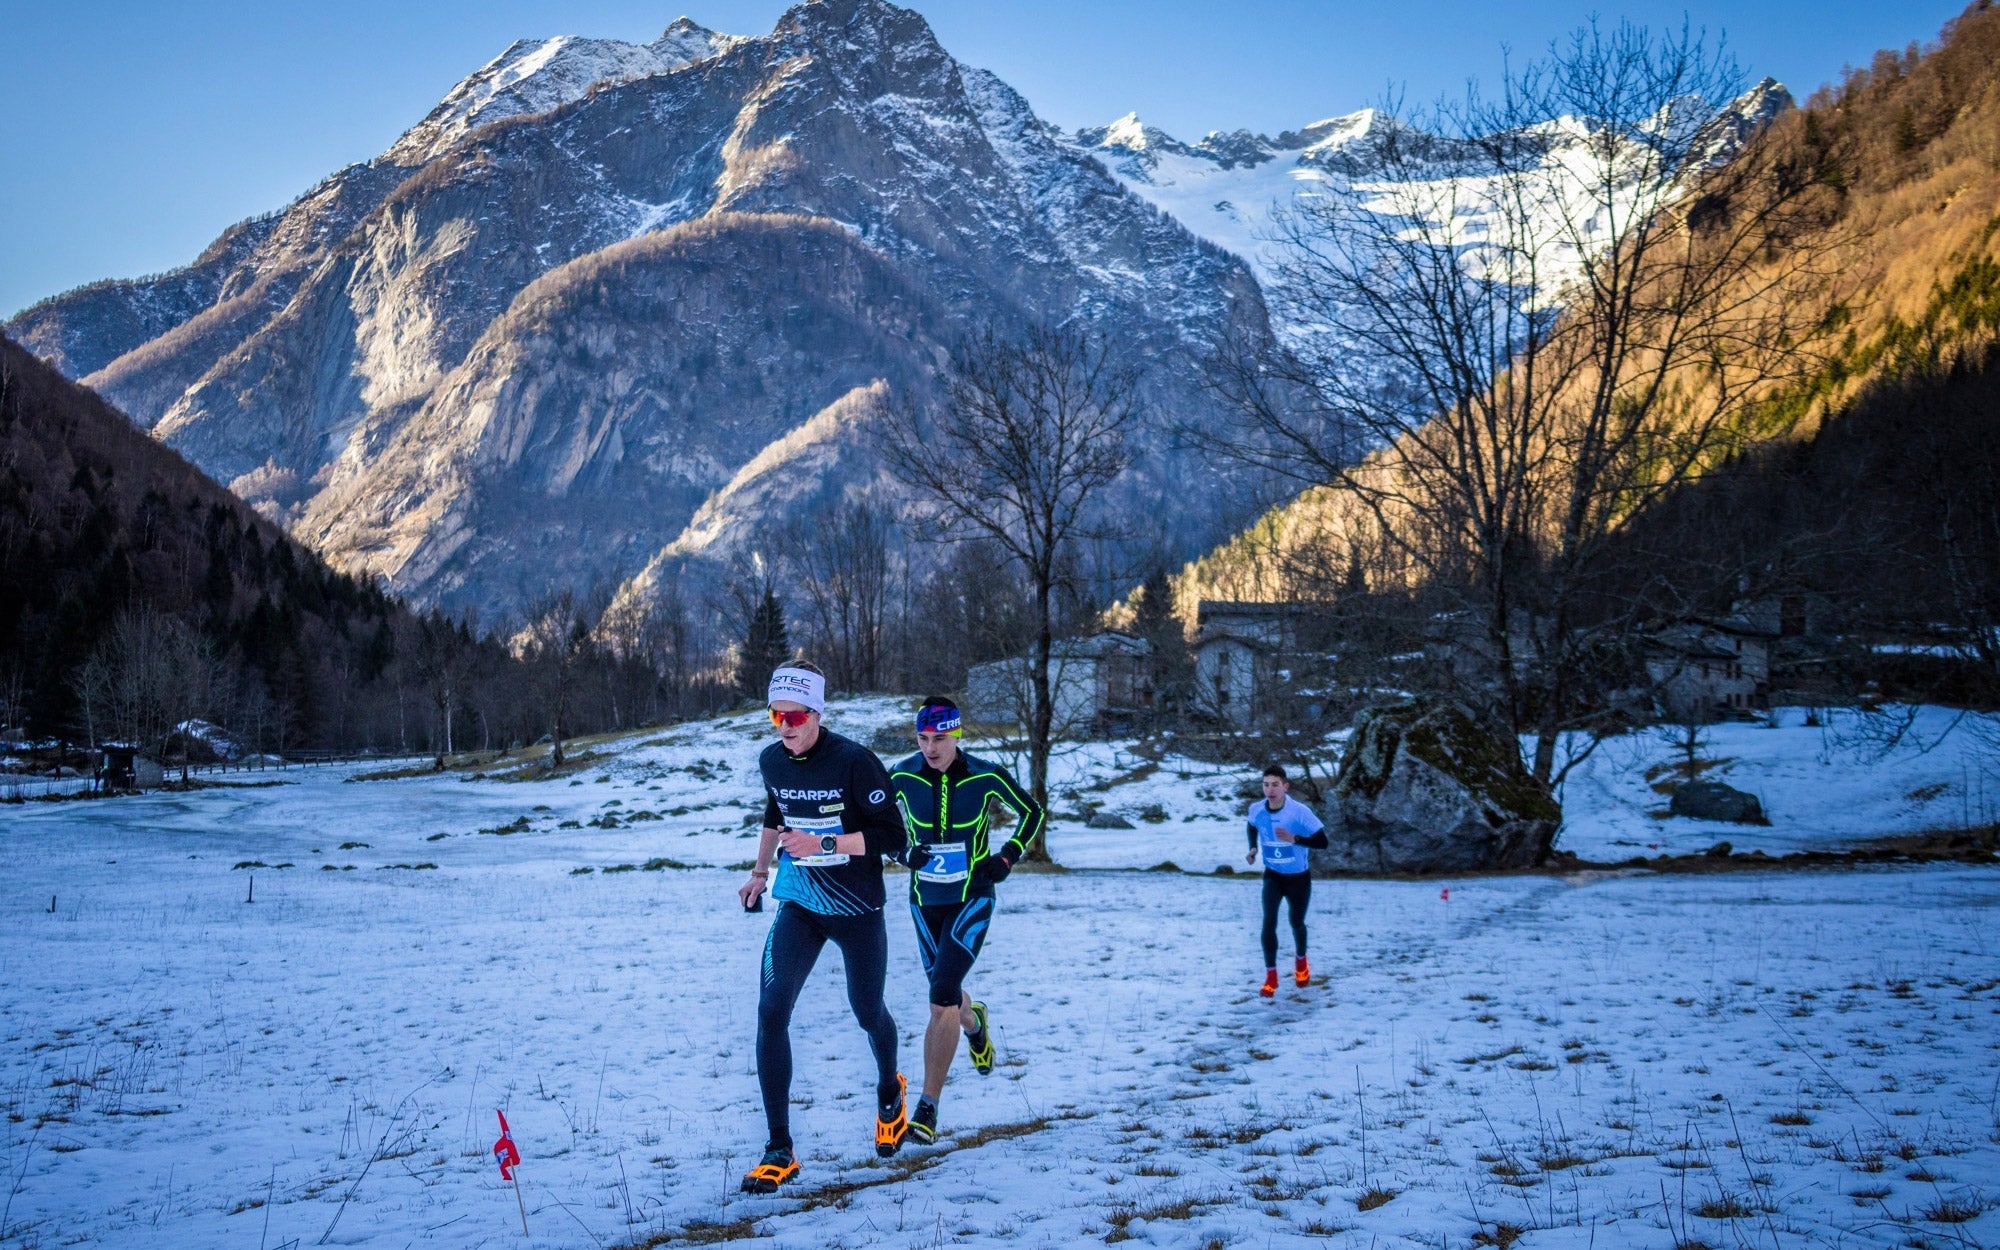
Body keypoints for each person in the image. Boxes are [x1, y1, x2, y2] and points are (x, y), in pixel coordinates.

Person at [735, 662, 909, 1194]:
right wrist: (760, 872)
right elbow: (775, 811)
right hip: (800, 905)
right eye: (776, 715)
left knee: (867, 1012)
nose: (784, 725)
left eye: (795, 715)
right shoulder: (772, 759)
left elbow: (893, 838)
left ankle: (889, 1089)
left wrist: (826, 844)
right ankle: (779, 1148)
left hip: (857, 909)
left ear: (817, 713)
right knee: (770, 1011)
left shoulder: (855, 762)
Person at [886, 696, 1044, 1144]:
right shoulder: (900, 774)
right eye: (922, 738)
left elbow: (1032, 812)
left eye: (939, 738)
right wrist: (901, 852)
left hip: (972, 896)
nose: (930, 748)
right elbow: (875, 820)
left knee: (938, 998)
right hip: (924, 902)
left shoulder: (985, 775)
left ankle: (927, 1109)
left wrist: (1009, 857)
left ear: (957, 735)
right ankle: (975, 1023)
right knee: (949, 996)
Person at [1244, 764, 1329, 997]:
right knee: (1268, 921)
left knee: (1296, 922)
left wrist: (1295, 838)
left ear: (1285, 786)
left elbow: (1323, 841)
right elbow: (1251, 826)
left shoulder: (1299, 812)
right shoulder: (1257, 809)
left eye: (1275, 785)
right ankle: (1271, 976)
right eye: (1266, 785)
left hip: (1298, 878)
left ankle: (1301, 961)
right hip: (1273, 875)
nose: (1269, 790)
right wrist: (1252, 848)